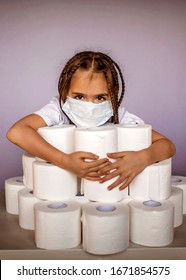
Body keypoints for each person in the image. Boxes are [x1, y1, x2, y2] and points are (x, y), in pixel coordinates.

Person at [7, 51, 176, 190]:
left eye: (100, 97)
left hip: (107, 192)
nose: (90, 105)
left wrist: (144, 157)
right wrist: (64, 161)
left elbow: (167, 145)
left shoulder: (119, 116)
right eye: (79, 96)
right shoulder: (59, 110)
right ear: (65, 92)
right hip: (63, 190)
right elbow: (17, 132)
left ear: (113, 97)